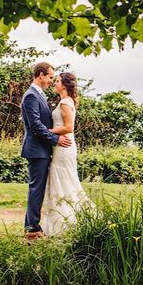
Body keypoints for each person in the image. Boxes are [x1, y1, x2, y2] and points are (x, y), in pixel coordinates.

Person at [20, 62, 72, 239]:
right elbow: (35, 125)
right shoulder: (31, 96)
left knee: (39, 188)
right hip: (36, 150)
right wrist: (55, 139)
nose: (51, 81)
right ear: (40, 75)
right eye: (50, 77)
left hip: (42, 149)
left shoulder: (39, 95)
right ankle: (32, 228)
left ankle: (32, 224)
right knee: (37, 188)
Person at [41, 71, 95, 236]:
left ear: (64, 85)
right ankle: (61, 219)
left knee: (63, 178)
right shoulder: (65, 101)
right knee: (62, 179)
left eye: (57, 81)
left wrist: (46, 131)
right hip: (61, 145)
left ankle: (66, 221)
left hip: (64, 146)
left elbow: (68, 127)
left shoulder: (65, 102)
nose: (55, 83)